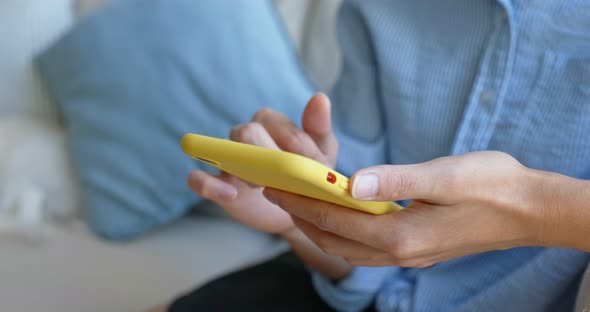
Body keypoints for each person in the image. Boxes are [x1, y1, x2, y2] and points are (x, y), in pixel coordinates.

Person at [162, 1, 590, 311]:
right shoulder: (378, 9)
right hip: (354, 288)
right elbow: (363, 253)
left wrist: (535, 211)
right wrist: (296, 221)